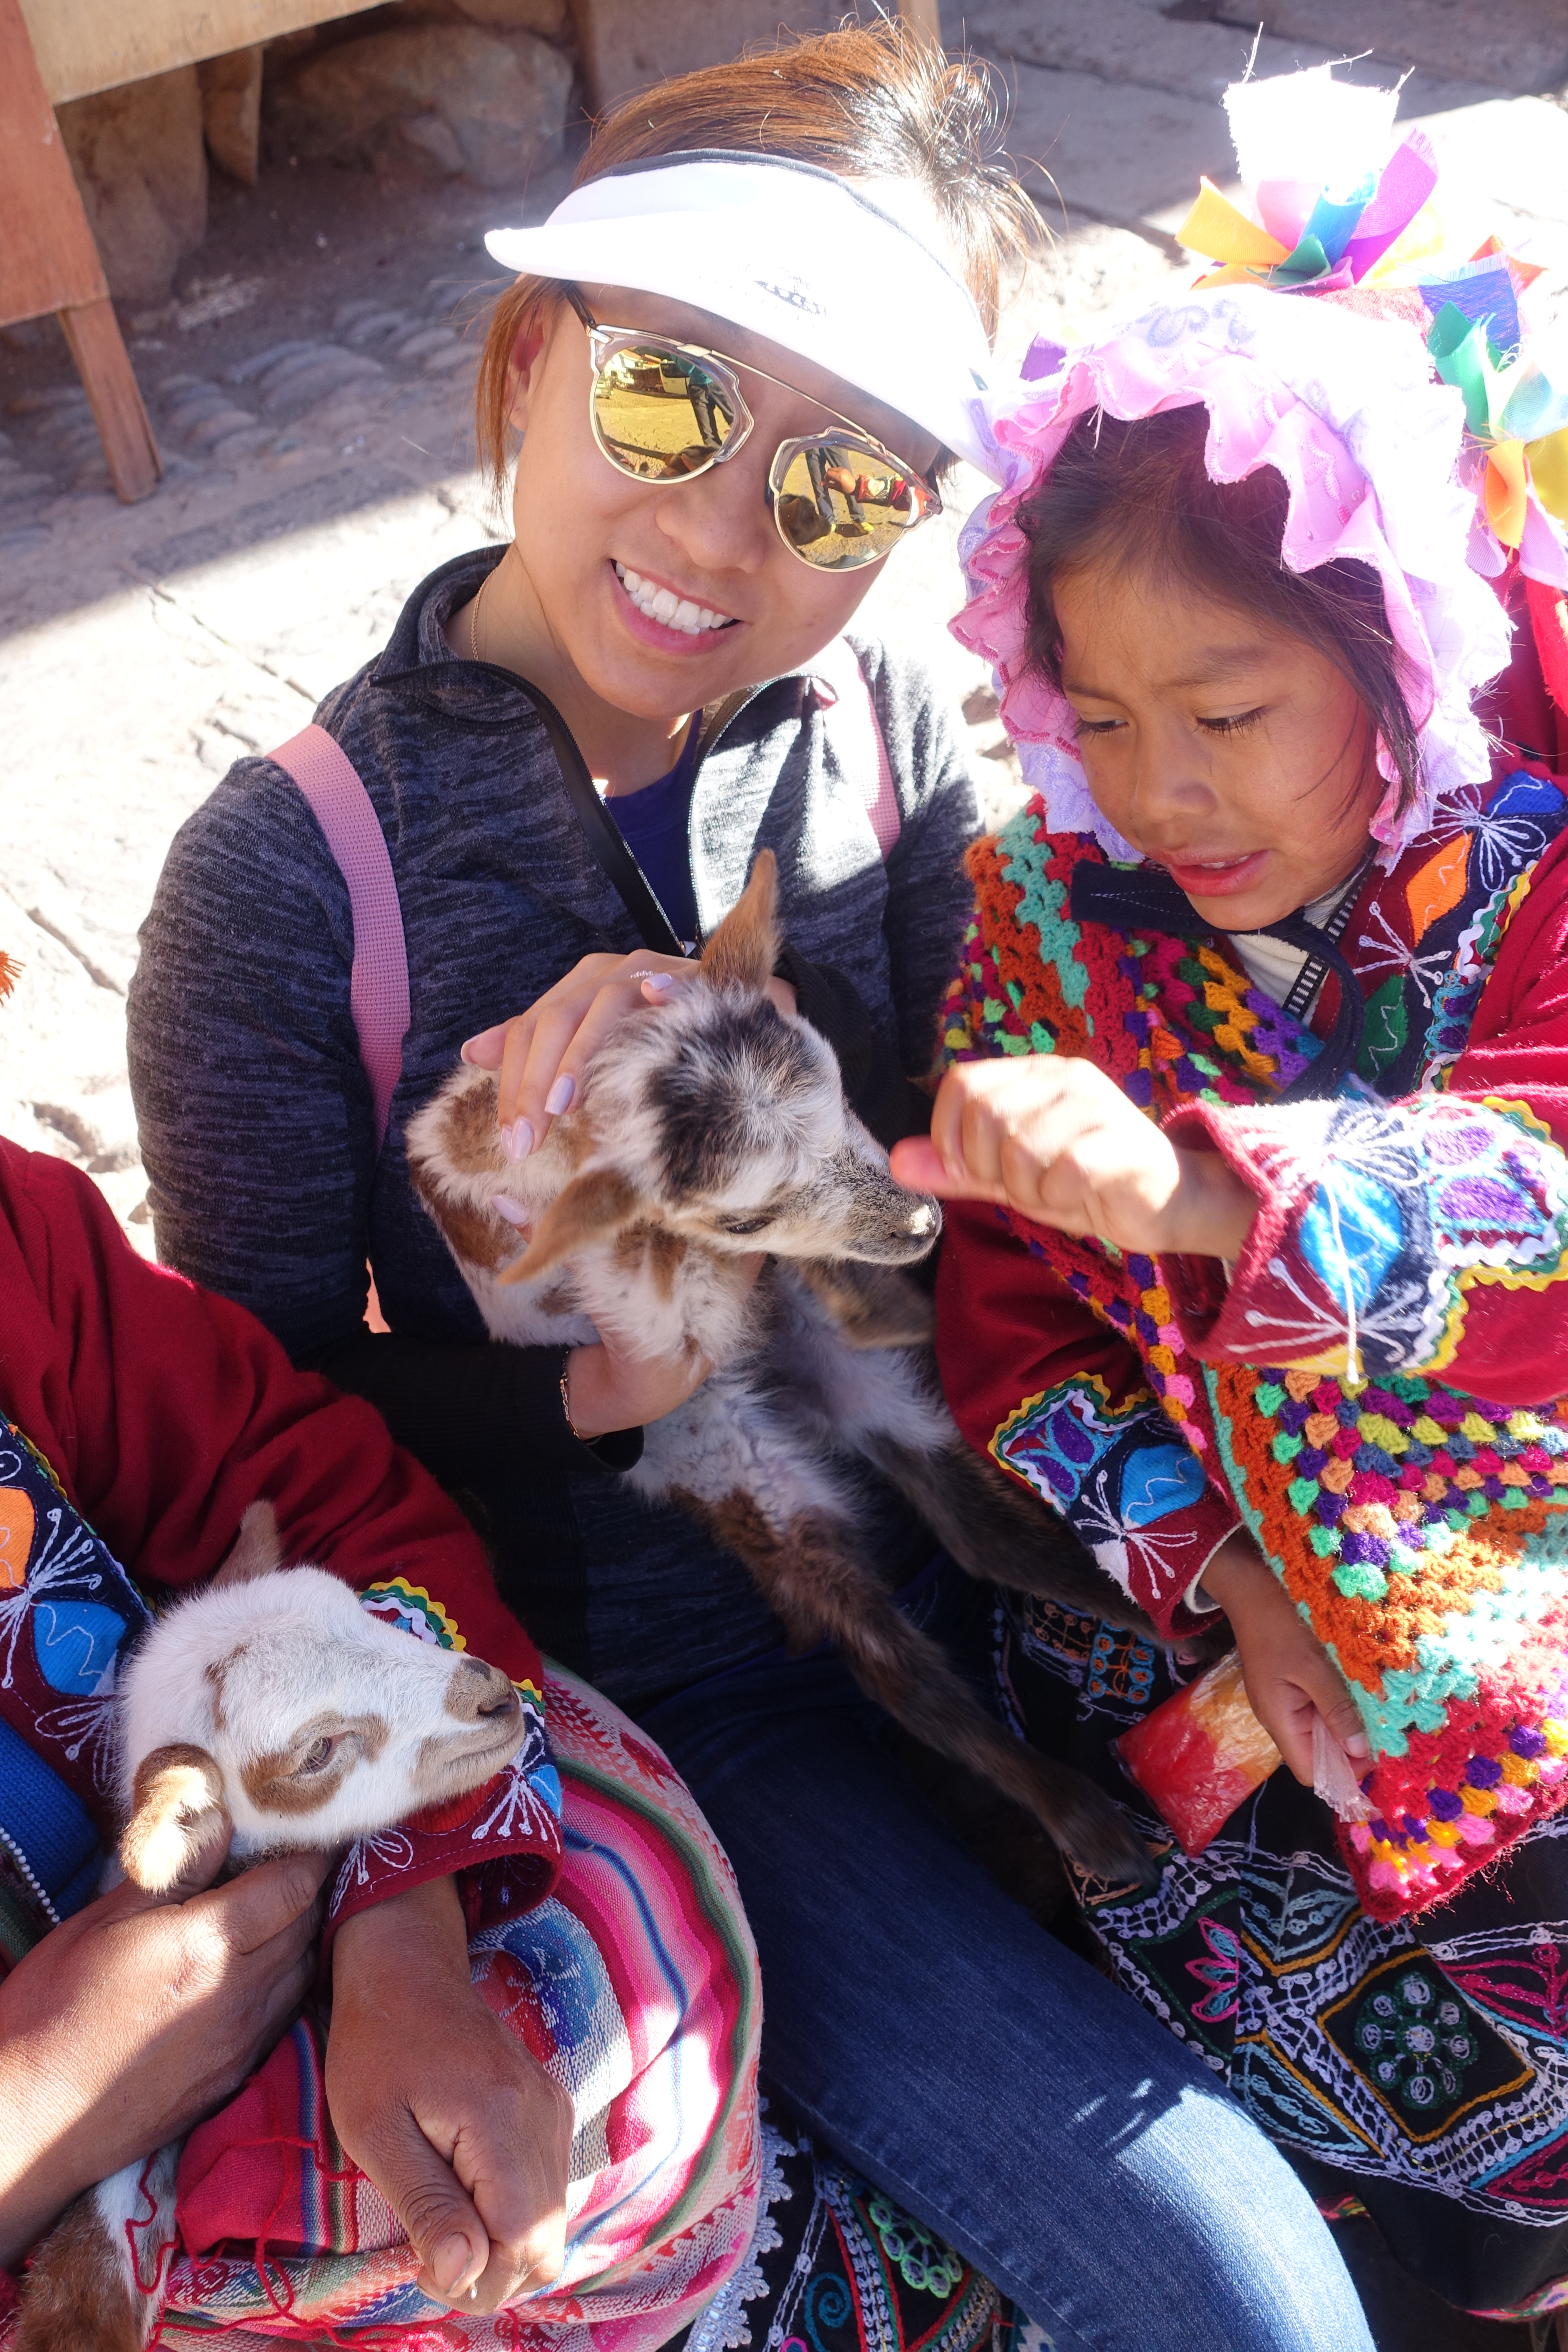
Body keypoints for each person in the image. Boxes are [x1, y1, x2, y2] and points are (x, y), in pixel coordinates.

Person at [126, 27, 1374, 2349]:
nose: (720, 536)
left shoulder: (880, 738)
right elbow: (245, 1450)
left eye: (837, 487)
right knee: (1242, 2298)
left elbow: (980, 1213)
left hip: (1021, 1549)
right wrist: (584, 1394)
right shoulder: (285, 887)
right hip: (709, 1689)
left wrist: (1246, 1543)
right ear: (532, 356)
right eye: (676, 403)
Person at [897, 250, 1568, 2322]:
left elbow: (1544, 1186)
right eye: (1099, 715)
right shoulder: (1052, 921)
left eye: (1230, 711)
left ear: (1395, 655)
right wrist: (1229, 1578)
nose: (1165, 786)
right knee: (1258, 1956)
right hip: (1204, 1632)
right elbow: (1009, 1321)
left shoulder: (1523, 887)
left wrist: (1213, 1202)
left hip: (1523, 1599)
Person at [0, 1016, 760, 2342]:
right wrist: (49, 2100)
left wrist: (396, 1932)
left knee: (639, 1953)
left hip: (261, 1872)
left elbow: (316, 1489)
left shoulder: (16, 1247)